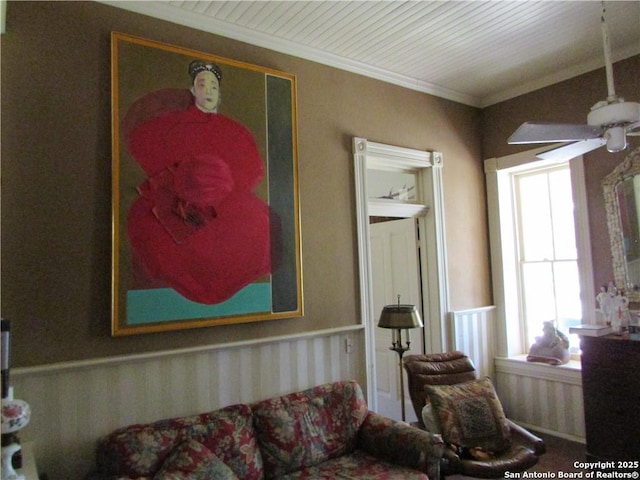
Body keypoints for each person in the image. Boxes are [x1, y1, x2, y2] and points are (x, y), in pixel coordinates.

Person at [123, 60, 274, 305]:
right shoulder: (173, 125)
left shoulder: (234, 130)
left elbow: (252, 170)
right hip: (179, 200)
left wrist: (221, 182)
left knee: (260, 226)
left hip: (226, 200)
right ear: (193, 90)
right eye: (202, 85)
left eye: (214, 87)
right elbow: (147, 152)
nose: (209, 92)